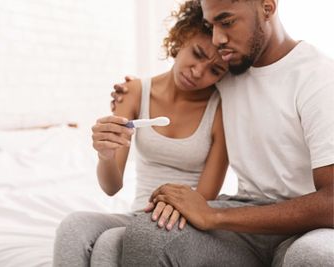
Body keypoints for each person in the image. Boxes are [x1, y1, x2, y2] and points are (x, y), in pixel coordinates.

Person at [112, 0, 334, 266]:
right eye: (211, 25)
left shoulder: (318, 78)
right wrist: (132, 92)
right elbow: (179, 84)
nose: (217, 39)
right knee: (150, 233)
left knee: (312, 256)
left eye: (226, 22)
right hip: (246, 212)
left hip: (311, 225)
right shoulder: (227, 70)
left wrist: (214, 216)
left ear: (267, 7)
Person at [53, 1, 229, 266]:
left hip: (183, 221)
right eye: (197, 54)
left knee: (110, 245)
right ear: (181, 38)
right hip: (137, 213)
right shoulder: (134, 92)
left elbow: (205, 199)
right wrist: (106, 155)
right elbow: (112, 187)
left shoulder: (220, 110)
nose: (198, 71)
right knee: (73, 226)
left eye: (215, 70)